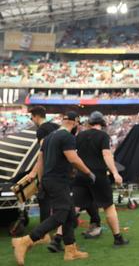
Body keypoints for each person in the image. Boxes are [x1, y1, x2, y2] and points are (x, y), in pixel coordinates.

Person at [12, 111, 96, 264]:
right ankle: (26, 240)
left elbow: (41, 159)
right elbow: (73, 158)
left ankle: (71, 250)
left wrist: (38, 178)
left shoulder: (50, 137)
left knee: (70, 215)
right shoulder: (67, 137)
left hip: (50, 180)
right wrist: (88, 172)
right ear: (75, 122)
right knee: (61, 214)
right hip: (59, 181)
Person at [72, 111, 129, 246]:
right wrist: (115, 173)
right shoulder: (103, 136)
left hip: (81, 175)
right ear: (102, 123)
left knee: (74, 207)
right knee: (109, 207)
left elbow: (75, 156)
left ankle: (58, 238)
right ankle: (117, 238)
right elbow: (107, 155)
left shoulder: (79, 135)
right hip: (98, 175)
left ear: (90, 123)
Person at [26, 106, 60, 225]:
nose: (32, 120)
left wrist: (35, 172)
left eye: (32, 117)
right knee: (61, 200)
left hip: (49, 170)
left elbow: (44, 153)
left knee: (44, 199)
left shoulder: (41, 130)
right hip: (61, 169)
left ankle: (43, 230)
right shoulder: (56, 126)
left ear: (36, 116)